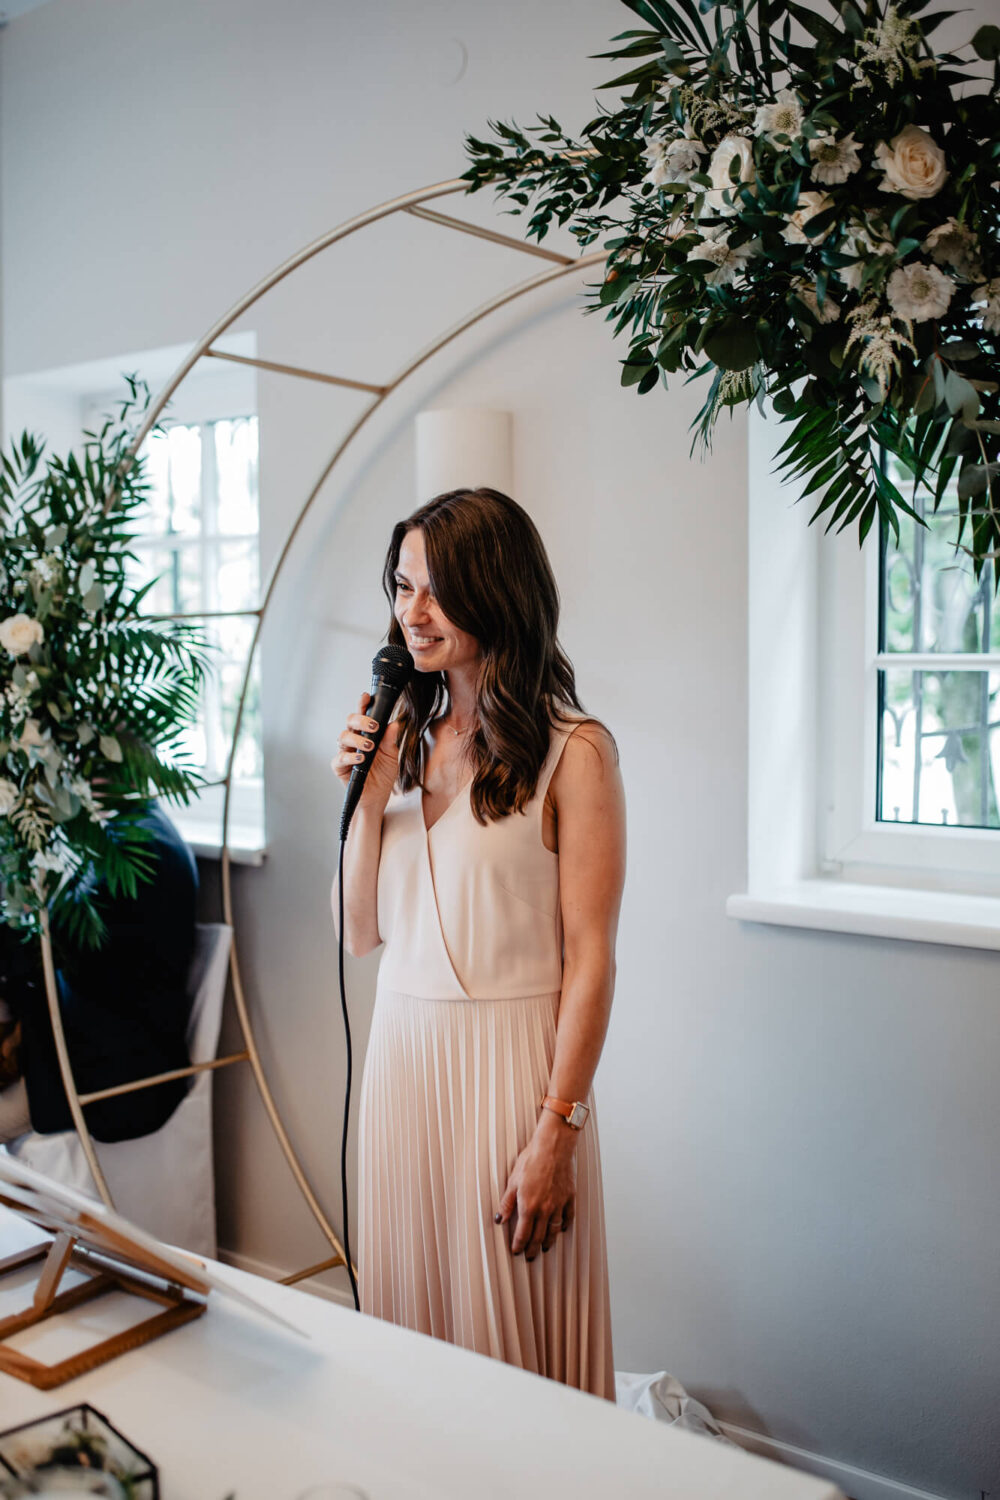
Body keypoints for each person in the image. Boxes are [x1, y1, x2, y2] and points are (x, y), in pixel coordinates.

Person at [331, 487, 626, 1402]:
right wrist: (368, 800)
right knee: (410, 1348)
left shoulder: (576, 752)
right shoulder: (404, 744)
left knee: (512, 1361)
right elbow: (359, 934)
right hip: (402, 1069)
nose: (411, 613)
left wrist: (557, 1134)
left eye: (436, 590)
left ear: (495, 591)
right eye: (402, 587)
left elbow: (592, 960)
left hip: (510, 1077)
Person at [0, 798, 198, 1145]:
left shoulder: (142, 848)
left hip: (114, 1069)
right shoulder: (130, 830)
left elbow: (64, 949)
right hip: (90, 1041)